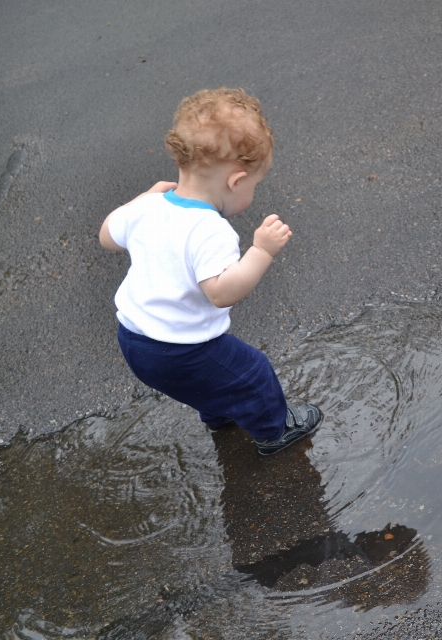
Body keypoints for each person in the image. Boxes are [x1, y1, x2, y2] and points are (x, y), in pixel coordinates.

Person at [99, 87, 321, 455]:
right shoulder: (210, 229)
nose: (253, 191)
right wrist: (261, 251)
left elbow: (107, 236)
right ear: (235, 181)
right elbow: (221, 293)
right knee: (252, 373)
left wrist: (140, 201)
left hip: (133, 338)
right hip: (180, 349)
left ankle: (220, 414)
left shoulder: (149, 206)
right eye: (255, 184)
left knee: (209, 380)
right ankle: (274, 430)